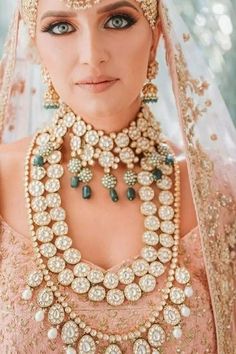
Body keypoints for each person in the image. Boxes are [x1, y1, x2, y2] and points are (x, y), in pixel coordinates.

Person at [0, 0, 235, 353]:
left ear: (155, 37)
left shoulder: (215, 192)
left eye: (118, 20)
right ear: (35, 44)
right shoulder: (3, 181)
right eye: (62, 27)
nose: (92, 55)